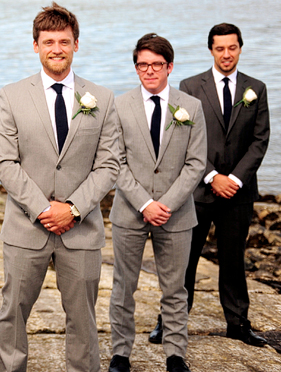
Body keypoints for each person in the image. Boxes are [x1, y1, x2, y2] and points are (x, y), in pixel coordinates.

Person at [0, 2, 121, 372]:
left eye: (64, 41)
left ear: (76, 45)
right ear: (35, 45)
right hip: (25, 228)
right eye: (48, 41)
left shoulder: (103, 98)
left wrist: (74, 208)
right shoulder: (12, 95)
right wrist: (44, 209)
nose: (56, 49)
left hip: (81, 231)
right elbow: (4, 162)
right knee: (12, 314)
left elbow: (109, 164)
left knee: (83, 321)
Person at [107, 34, 207, 372]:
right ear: (136, 67)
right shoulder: (119, 106)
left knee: (175, 288)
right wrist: (144, 203)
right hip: (129, 212)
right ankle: (120, 353)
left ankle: (175, 354)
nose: (149, 71)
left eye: (156, 65)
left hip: (176, 215)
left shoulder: (190, 107)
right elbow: (115, 161)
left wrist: (166, 203)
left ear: (170, 66)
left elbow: (196, 163)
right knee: (123, 287)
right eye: (142, 65)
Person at [176, 23, 270, 347]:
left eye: (232, 48)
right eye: (220, 48)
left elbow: (259, 141)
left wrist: (235, 179)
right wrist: (212, 175)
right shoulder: (189, 86)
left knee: (234, 260)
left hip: (239, 193)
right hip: (199, 190)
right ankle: (172, 322)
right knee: (184, 259)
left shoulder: (256, 89)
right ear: (211, 50)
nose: (226, 54)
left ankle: (238, 324)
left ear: (240, 48)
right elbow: (183, 138)